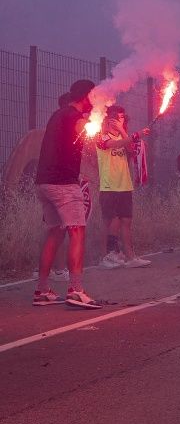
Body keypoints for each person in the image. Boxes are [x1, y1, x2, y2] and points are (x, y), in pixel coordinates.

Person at [33, 79, 102, 309]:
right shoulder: (74, 117)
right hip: (63, 184)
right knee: (77, 231)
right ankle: (76, 289)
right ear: (86, 96)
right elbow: (89, 139)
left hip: (44, 182)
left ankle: (42, 290)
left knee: (55, 232)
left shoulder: (58, 114)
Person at [96, 106, 151, 269]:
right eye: (119, 118)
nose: (122, 120)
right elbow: (116, 144)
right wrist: (135, 135)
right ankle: (106, 256)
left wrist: (126, 132)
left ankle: (130, 257)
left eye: (122, 118)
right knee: (111, 222)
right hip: (109, 186)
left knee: (126, 221)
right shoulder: (101, 136)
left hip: (125, 185)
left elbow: (131, 150)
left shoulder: (123, 135)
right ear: (111, 119)